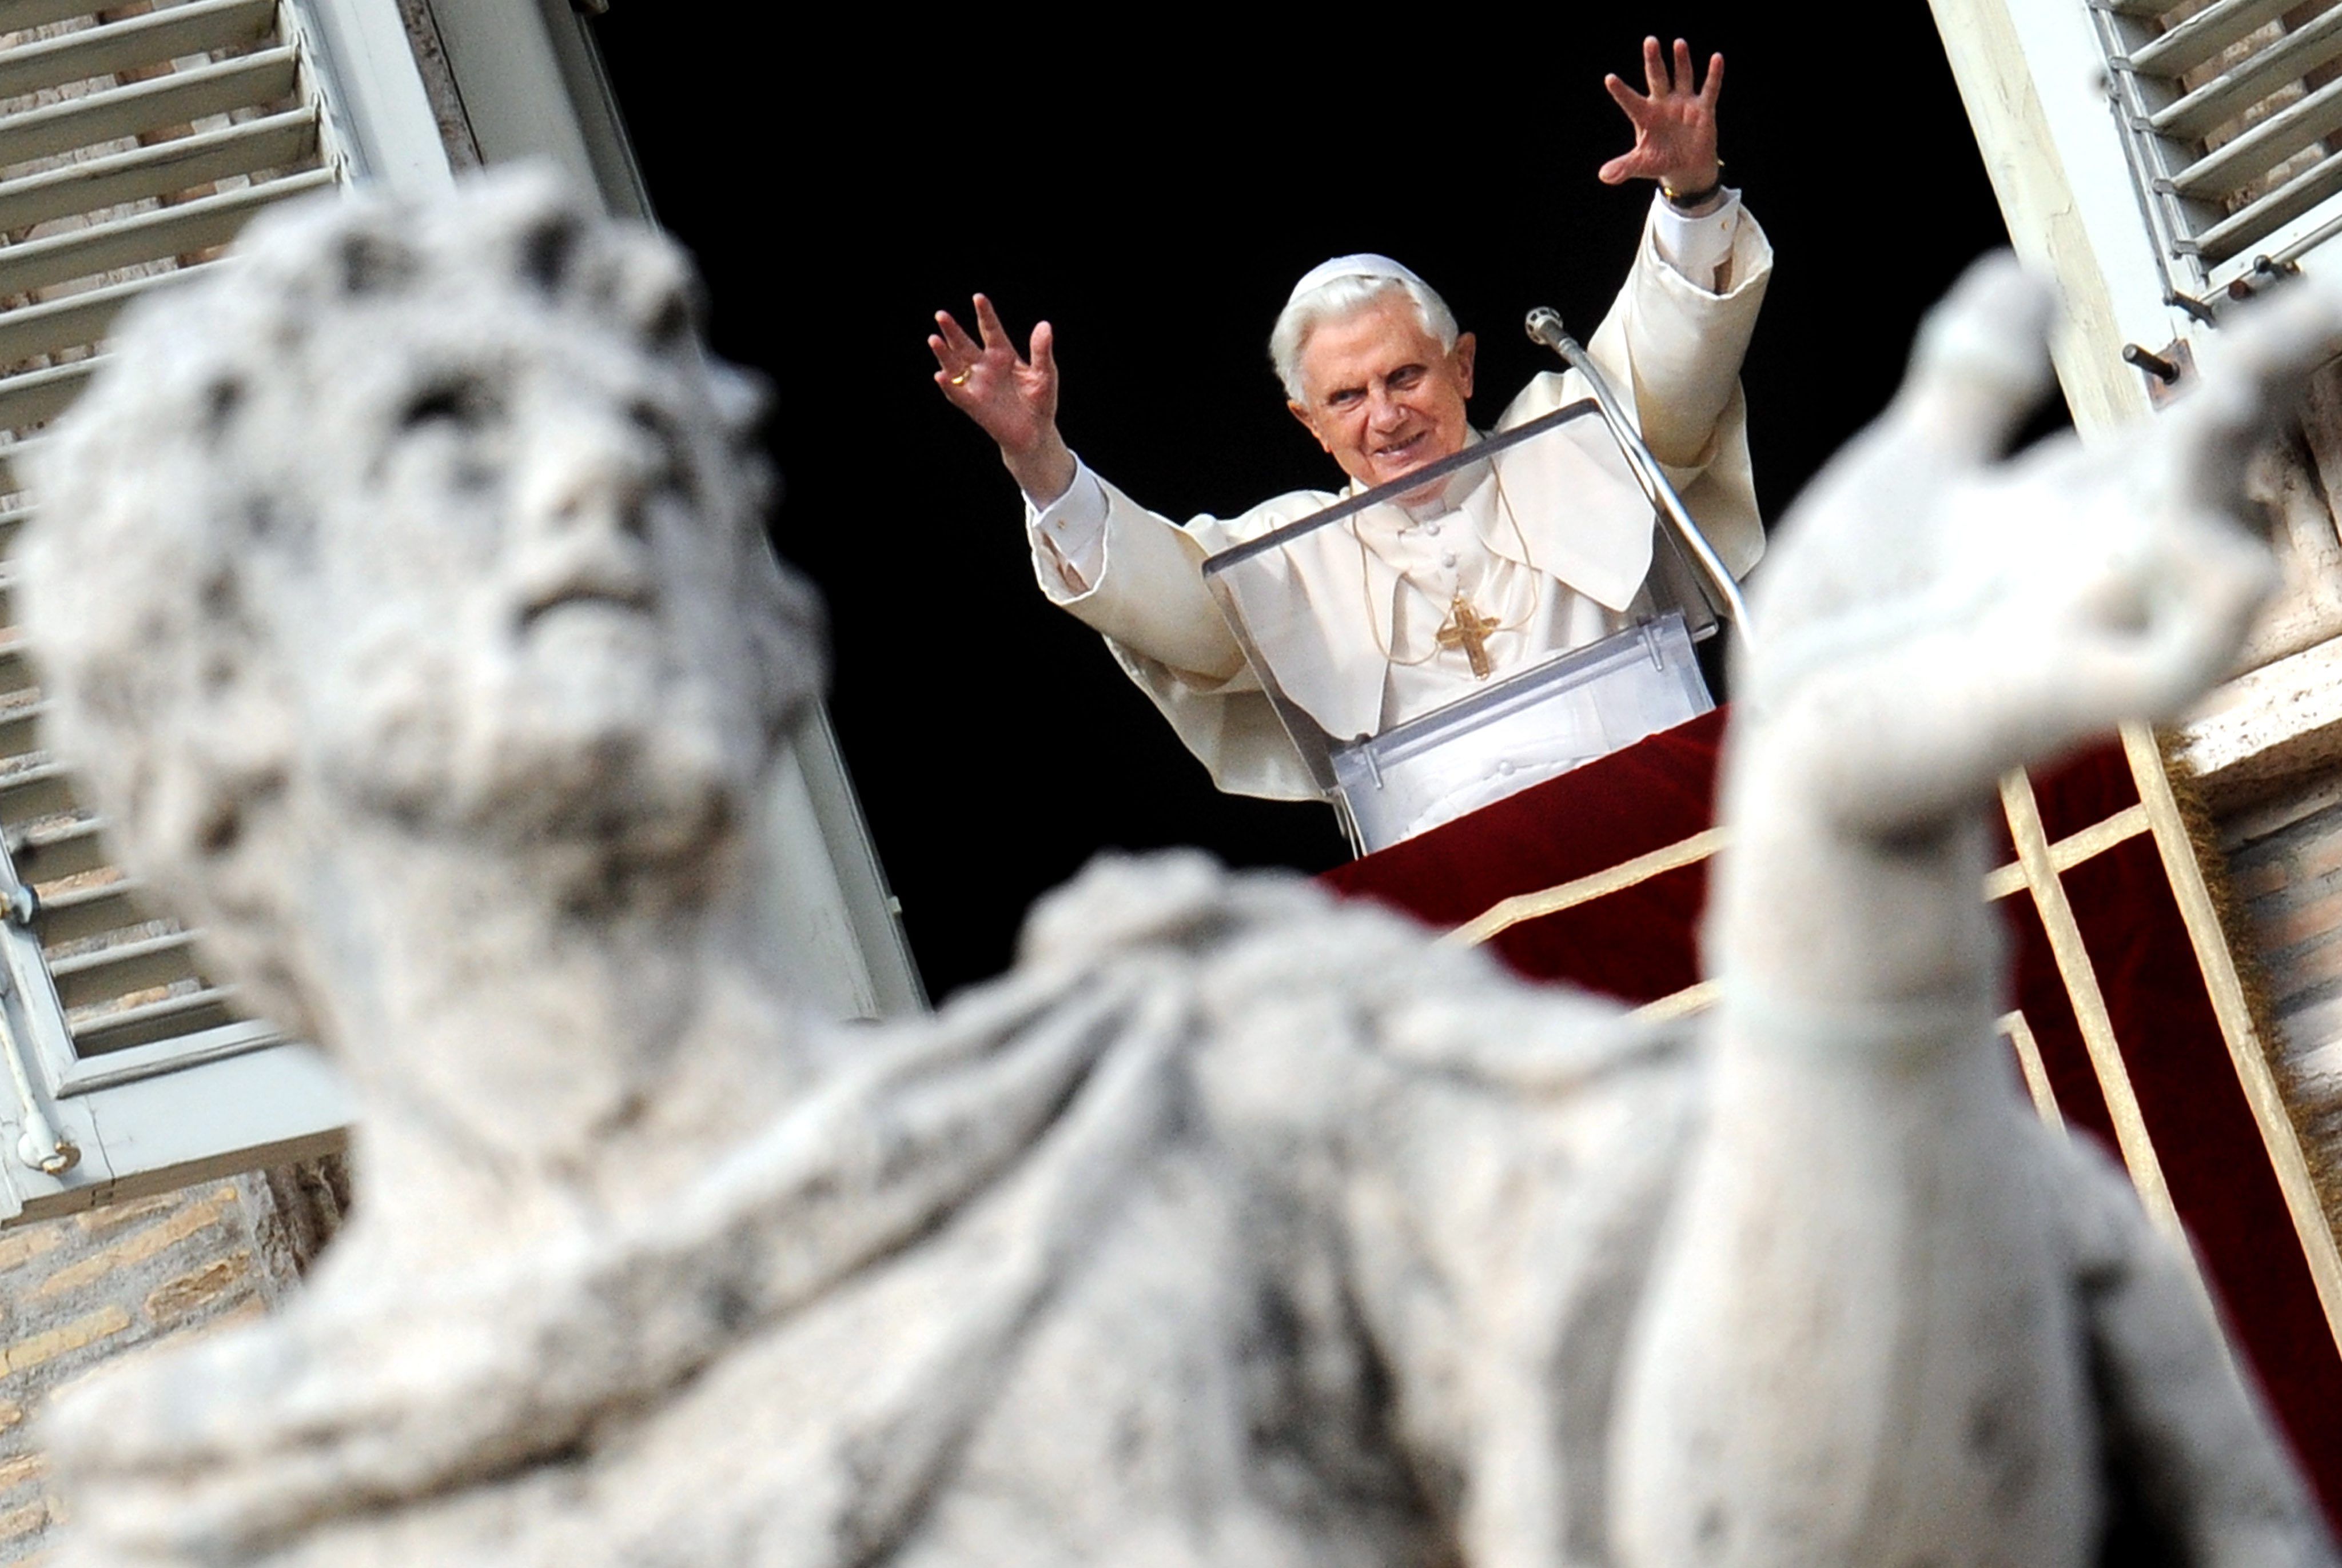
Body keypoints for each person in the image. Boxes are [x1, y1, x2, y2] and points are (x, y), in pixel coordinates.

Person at [932, 38, 1771, 800]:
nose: (1385, 416)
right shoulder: (1292, 555)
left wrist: (1691, 198)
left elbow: (1673, 366)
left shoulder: (1567, 438)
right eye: (1347, 398)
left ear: (1465, 367)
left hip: (1668, 819)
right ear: (1310, 425)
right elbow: (1175, 607)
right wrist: (1041, 458)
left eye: (1404, 375)